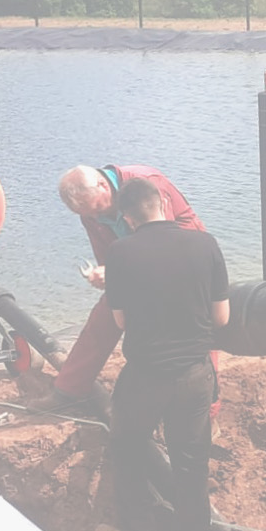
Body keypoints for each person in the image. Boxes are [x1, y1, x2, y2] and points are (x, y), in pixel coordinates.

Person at [90, 177, 227, 531]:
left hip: (147, 375)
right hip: (196, 374)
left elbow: (119, 321)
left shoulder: (119, 253)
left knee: (128, 449)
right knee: (191, 464)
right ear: (163, 204)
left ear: (128, 218)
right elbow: (222, 316)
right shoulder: (206, 243)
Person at [49, 164, 220, 419]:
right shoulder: (90, 212)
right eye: (86, 215)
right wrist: (107, 274)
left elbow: (169, 244)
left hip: (185, 266)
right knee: (104, 317)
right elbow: (108, 257)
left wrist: (120, 270)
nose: (94, 218)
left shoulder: (147, 186)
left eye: (96, 210)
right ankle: (69, 389)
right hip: (140, 266)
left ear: (103, 186)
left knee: (196, 328)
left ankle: (207, 413)